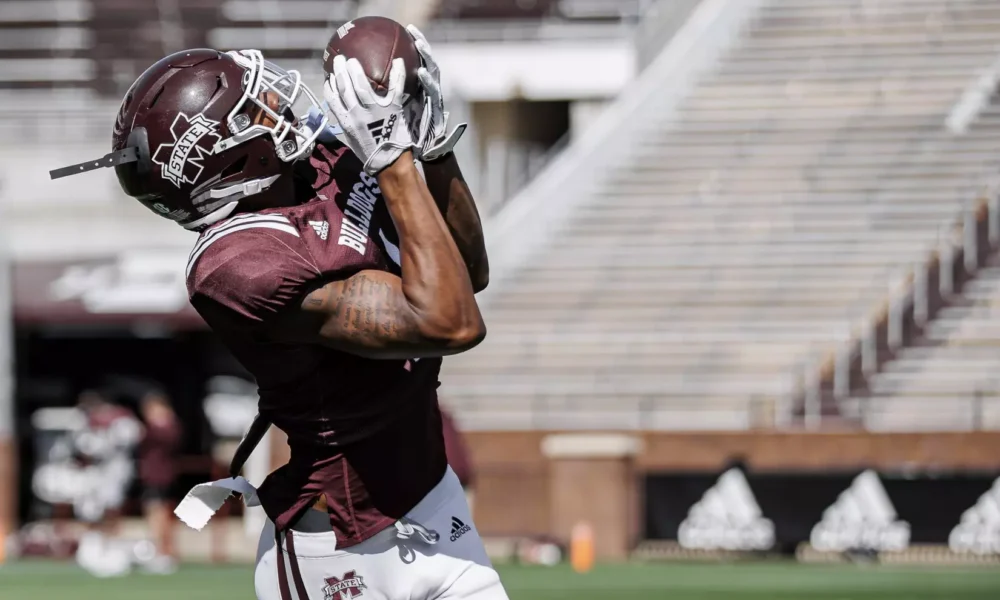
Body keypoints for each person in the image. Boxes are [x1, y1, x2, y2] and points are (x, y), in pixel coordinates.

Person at [51, 32, 504, 600]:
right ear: (232, 156)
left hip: (434, 505)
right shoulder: (241, 265)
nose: (276, 101)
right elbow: (450, 321)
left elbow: (467, 271)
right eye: (254, 109)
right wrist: (394, 160)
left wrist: (431, 146)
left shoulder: (320, 163)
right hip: (339, 552)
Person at [136, 388, 182, 573]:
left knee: (159, 514)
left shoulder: (164, 425)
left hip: (160, 475)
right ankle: (161, 551)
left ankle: (164, 553)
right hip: (154, 474)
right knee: (155, 513)